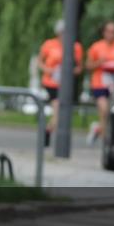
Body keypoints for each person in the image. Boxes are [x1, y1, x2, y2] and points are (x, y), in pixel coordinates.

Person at [37, 19, 83, 147]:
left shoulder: (76, 47)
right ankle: (51, 133)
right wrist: (48, 69)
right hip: (51, 82)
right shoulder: (49, 44)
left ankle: (48, 130)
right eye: (62, 33)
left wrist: (69, 72)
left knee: (61, 111)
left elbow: (79, 67)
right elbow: (39, 61)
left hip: (65, 83)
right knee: (57, 108)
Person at [85, 21, 114, 145]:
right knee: (104, 110)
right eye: (109, 31)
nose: (111, 34)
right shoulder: (96, 47)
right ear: (104, 32)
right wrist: (99, 62)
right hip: (100, 83)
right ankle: (106, 142)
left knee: (112, 113)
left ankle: (97, 129)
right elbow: (88, 66)